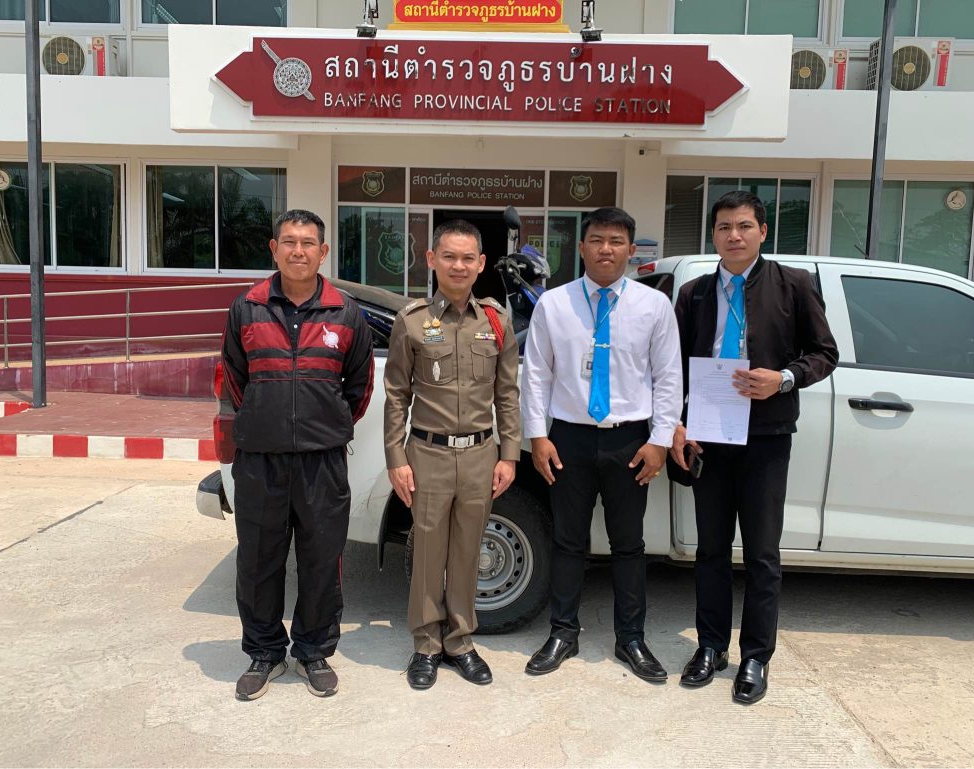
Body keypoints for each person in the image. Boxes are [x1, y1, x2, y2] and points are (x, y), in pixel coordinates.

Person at [672, 190, 838, 704]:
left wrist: (783, 378)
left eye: (744, 226)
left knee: (763, 553)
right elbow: (674, 366)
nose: (734, 236)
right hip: (709, 435)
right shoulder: (695, 293)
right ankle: (710, 647)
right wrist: (678, 424)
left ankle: (755, 657)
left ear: (762, 232)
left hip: (766, 435)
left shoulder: (794, 284)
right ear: (713, 234)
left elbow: (824, 353)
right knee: (711, 550)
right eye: (724, 227)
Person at [520, 206, 682, 681]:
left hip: (631, 441)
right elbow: (536, 375)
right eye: (596, 240)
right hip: (568, 438)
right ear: (582, 247)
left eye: (615, 241)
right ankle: (563, 632)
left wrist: (659, 440)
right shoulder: (554, 304)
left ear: (631, 250)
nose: (605, 249)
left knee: (628, 544)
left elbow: (668, 377)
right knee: (567, 541)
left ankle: (631, 638)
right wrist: (538, 436)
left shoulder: (654, 306)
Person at [220, 209, 374, 701]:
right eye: (289, 241)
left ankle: (313, 650)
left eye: (308, 243)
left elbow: (359, 387)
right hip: (260, 461)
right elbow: (234, 380)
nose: (298, 251)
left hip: (321, 462)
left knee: (321, 560)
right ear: (274, 248)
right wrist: (266, 420)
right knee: (257, 561)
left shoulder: (346, 313)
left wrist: (325, 423)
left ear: (323, 252)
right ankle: (264, 652)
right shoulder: (247, 308)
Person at [383, 220, 521, 691]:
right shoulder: (412, 320)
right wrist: (396, 458)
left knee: (467, 552)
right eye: (449, 256)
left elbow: (507, 394)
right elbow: (396, 395)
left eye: (467, 258)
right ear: (432, 260)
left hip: (481, 455)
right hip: (428, 454)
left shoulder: (496, 321)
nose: (458, 266)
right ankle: (426, 644)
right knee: (427, 553)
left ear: (481, 264)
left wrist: (509, 455)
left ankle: (460, 641)